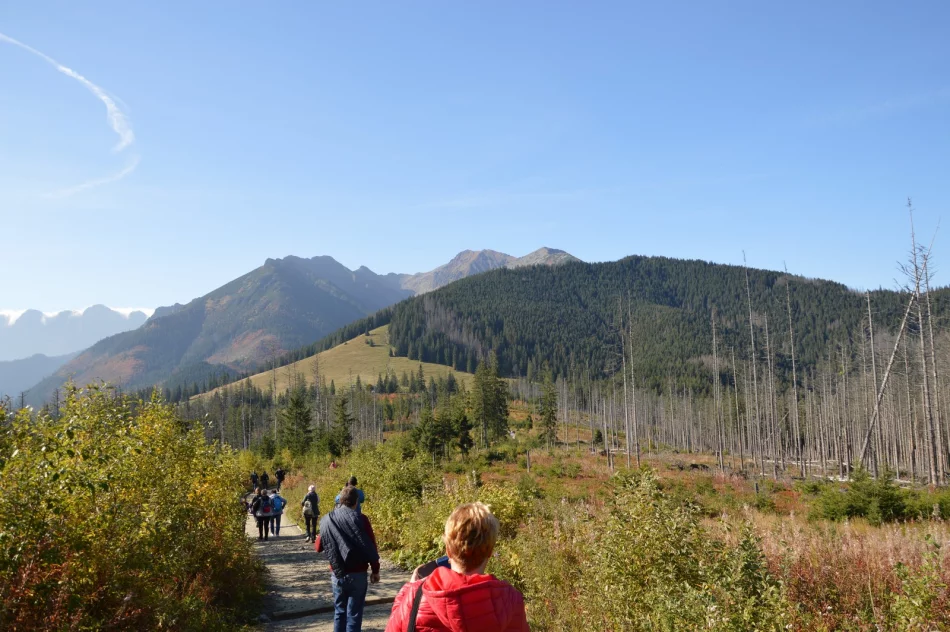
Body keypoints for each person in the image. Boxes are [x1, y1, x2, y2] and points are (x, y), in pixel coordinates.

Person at [384, 502, 529, 632]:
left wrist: (410, 589)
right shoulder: (511, 600)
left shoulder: (415, 596)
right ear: (490, 552)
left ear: (448, 550)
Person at [316, 486, 381, 632]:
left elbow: (318, 547)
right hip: (358, 573)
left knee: (340, 612)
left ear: (340, 500)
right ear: (356, 502)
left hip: (337, 573)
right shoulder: (361, 519)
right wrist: (375, 570)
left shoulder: (328, 519)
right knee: (354, 614)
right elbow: (371, 546)